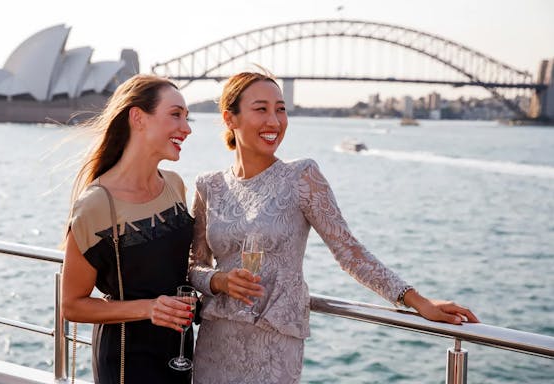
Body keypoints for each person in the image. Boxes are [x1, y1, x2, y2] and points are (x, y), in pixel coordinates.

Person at [188, 71, 479, 383]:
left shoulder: (302, 177)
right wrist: (218, 282)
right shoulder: (210, 186)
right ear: (230, 118)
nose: (274, 121)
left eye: (281, 109)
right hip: (216, 340)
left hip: (273, 344)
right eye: (261, 109)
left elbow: (349, 252)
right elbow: (193, 266)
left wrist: (416, 300)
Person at [61, 74, 195, 384]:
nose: (186, 128)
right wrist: (150, 309)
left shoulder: (175, 186)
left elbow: (177, 266)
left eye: (186, 117)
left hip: (179, 351)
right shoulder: (95, 204)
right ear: (138, 118)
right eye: (175, 115)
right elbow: (71, 305)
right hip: (125, 360)